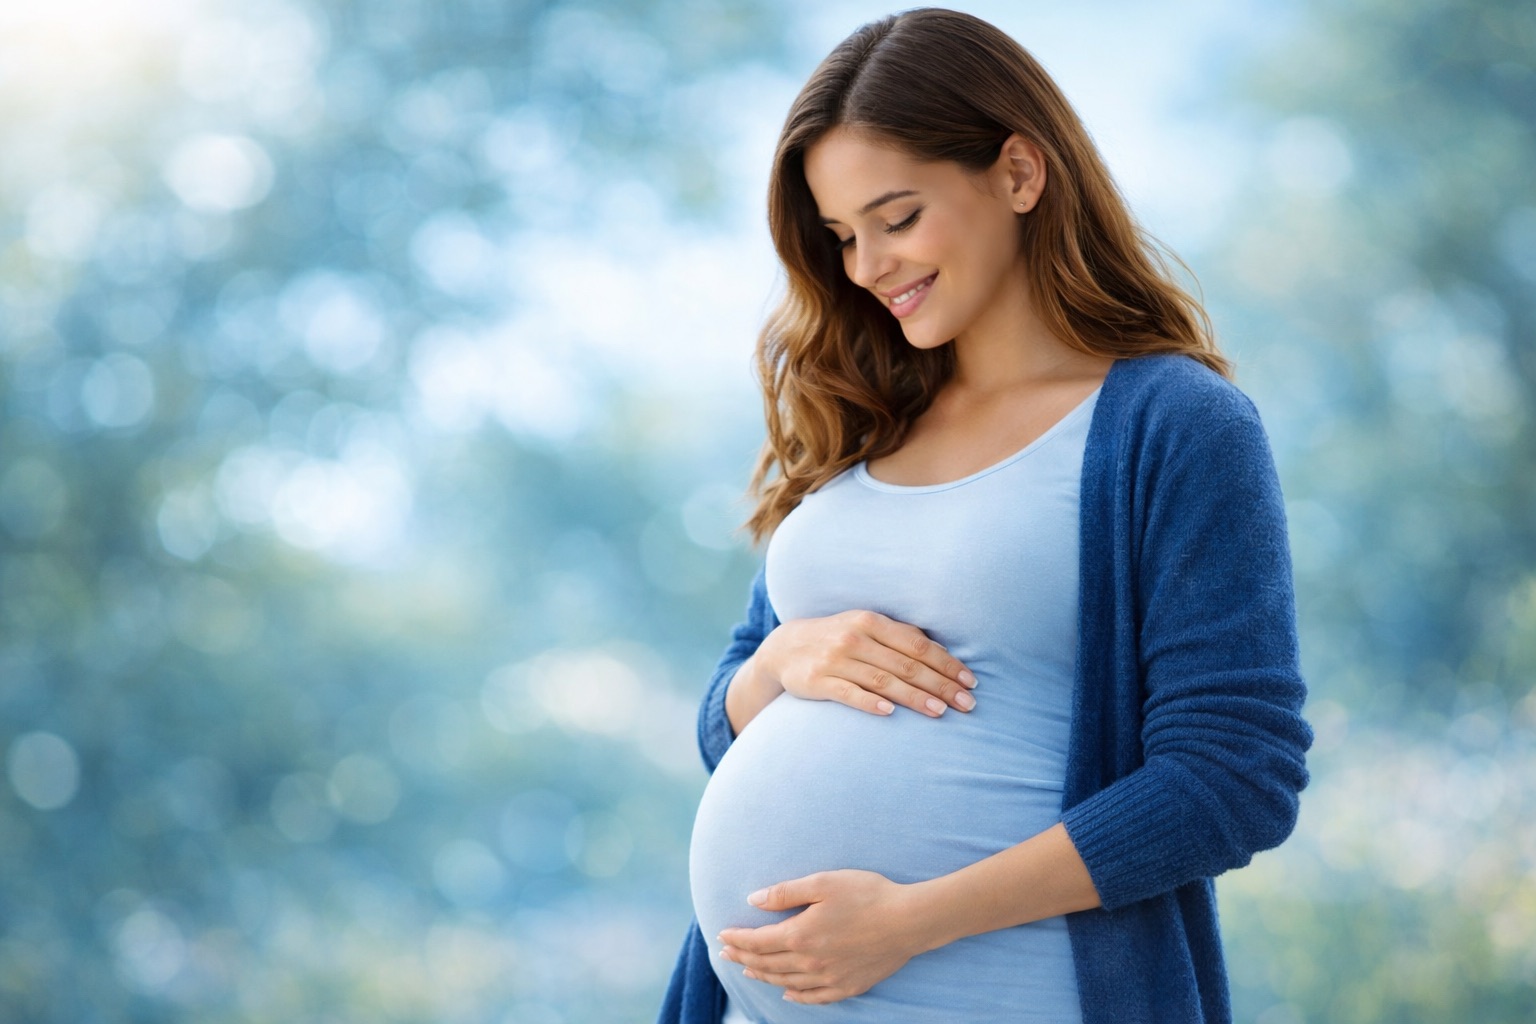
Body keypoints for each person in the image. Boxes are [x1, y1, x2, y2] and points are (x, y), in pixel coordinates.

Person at [657, 7, 1313, 1023]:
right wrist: (778, 666)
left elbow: (1233, 775)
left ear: (1018, 173)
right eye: (840, 237)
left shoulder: (1172, 425)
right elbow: (723, 722)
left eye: (898, 217)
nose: (867, 266)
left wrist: (913, 919)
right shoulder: (865, 415)